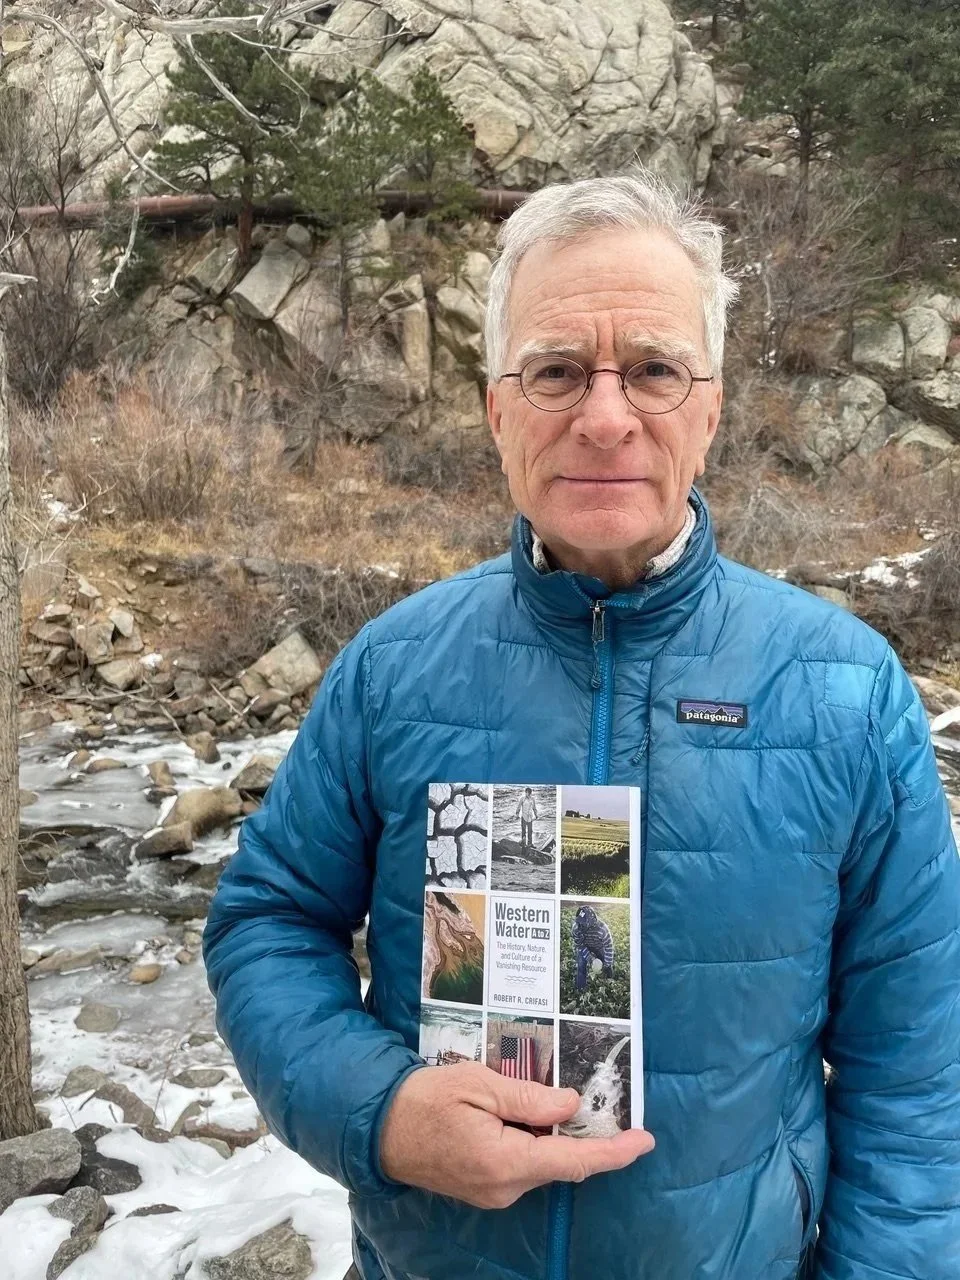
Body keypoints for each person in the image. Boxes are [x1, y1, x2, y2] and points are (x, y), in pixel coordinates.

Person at [203, 171, 960, 1280]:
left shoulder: (845, 689)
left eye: (652, 369)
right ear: (499, 408)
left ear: (710, 404)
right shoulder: (390, 668)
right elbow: (266, 921)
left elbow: (918, 1072)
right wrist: (382, 1109)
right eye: (557, 371)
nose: (605, 417)